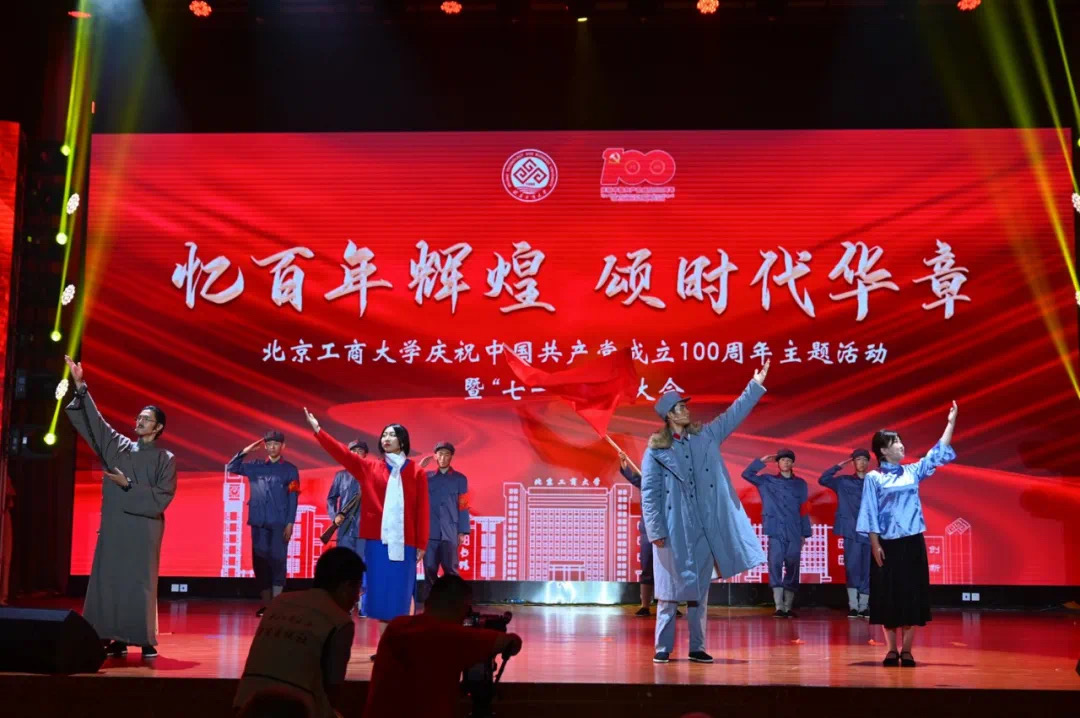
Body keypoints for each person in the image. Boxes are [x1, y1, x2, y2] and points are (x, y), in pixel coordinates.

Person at [640, 361, 771, 664]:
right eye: (680, 407)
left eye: (685, 405)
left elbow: (733, 415)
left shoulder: (706, 436)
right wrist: (656, 530)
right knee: (669, 592)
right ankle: (663, 647)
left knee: (699, 592)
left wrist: (754, 386)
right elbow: (649, 494)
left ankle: (697, 647)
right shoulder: (656, 451)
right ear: (669, 415)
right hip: (672, 530)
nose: (686, 410)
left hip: (703, 528)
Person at [63, 355, 176, 658]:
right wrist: (81, 386)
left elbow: (162, 496)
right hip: (115, 526)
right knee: (111, 579)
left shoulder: (165, 459)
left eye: (146, 419)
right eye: (138, 417)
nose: (140, 421)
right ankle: (116, 636)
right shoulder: (119, 446)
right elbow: (96, 425)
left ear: (158, 427)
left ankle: (144, 638)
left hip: (143, 529)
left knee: (139, 582)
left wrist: (128, 485)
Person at [303, 408, 428, 647]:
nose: (386, 438)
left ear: (402, 441)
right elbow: (342, 454)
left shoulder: (416, 472)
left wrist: (421, 542)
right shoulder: (370, 468)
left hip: (406, 542)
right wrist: (318, 430)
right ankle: (385, 647)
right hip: (377, 542)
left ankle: (399, 646)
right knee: (381, 599)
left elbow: (422, 509)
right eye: (384, 435)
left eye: (392, 435)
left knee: (400, 596)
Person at [856, 401, 958, 668]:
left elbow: (937, 454)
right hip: (886, 545)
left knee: (911, 595)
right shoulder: (874, 478)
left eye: (901, 441)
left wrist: (950, 424)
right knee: (888, 596)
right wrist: (875, 544)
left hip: (912, 543)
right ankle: (891, 650)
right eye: (896, 442)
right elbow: (869, 511)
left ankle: (908, 650)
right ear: (883, 450)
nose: (902, 446)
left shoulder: (912, 472)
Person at [363, 575, 522, 718]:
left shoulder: (396, 626)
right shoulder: (454, 636)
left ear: (428, 603)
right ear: (461, 607)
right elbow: (512, 642)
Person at [233, 547, 365, 718]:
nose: (357, 597)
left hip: (245, 707)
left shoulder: (279, 602)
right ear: (346, 587)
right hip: (296, 711)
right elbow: (333, 689)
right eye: (358, 589)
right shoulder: (340, 621)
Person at [228, 431, 301, 617]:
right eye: (269, 444)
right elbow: (232, 467)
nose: (272, 447)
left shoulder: (291, 470)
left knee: (278, 562)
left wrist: (290, 522)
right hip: (258, 522)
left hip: (279, 523)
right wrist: (246, 450)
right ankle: (266, 606)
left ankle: (277, 605)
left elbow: (293, 497)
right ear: (265, 446)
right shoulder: (255, 466)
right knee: (260, 564)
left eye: (276, 444)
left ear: (283, 446)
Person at [741, 449, 811, 618]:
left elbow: (804, 509)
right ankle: (779, 606)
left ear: (793, 463)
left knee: (793, 565)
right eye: (782, 460)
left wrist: (804, 533)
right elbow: (747, 474)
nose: (785, 462)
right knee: (775, 564)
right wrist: (762, 461)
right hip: (775, 529)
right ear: (777, 463)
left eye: (789, 460)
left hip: (794, 529)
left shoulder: (800, 484)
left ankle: (788, 606)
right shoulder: (767, 480)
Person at [415, 441, 470, 611]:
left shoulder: (460, 479)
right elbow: (409, 486)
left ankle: (454, 606)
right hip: (430, 532)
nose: (443, 458)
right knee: (429, 569)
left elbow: (463, 505)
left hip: (450, 532)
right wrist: (418, 468)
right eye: (440, 454)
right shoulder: (426, 477)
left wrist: (462, 531)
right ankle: (431, 607)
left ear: (451, 456)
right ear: (435, 456)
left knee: (451, 571)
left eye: (447, 454)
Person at [819, 449, 872, 617]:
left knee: (867, 569)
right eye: (858, 459)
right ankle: (853, 606)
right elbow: (823, 479)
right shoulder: (843, 481)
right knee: (852, 567)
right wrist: (839, 466)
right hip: (851, 531)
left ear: (868, 463)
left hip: (870, 531)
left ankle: (864, 606)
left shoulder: (874, 481)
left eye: (864, 459)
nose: (861, 462)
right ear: (853, 462)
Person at [326, 439, 368, 614]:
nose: (356, 454)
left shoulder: (371, 475)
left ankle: (364, 605)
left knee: (364, 567)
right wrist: (334, 516)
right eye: (353, 451)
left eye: (360, 451)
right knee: (344, 567)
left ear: (365, 455)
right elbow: (331, 498)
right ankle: (345, 604)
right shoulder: (340, 476)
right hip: (344, 530)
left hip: (365, 529)